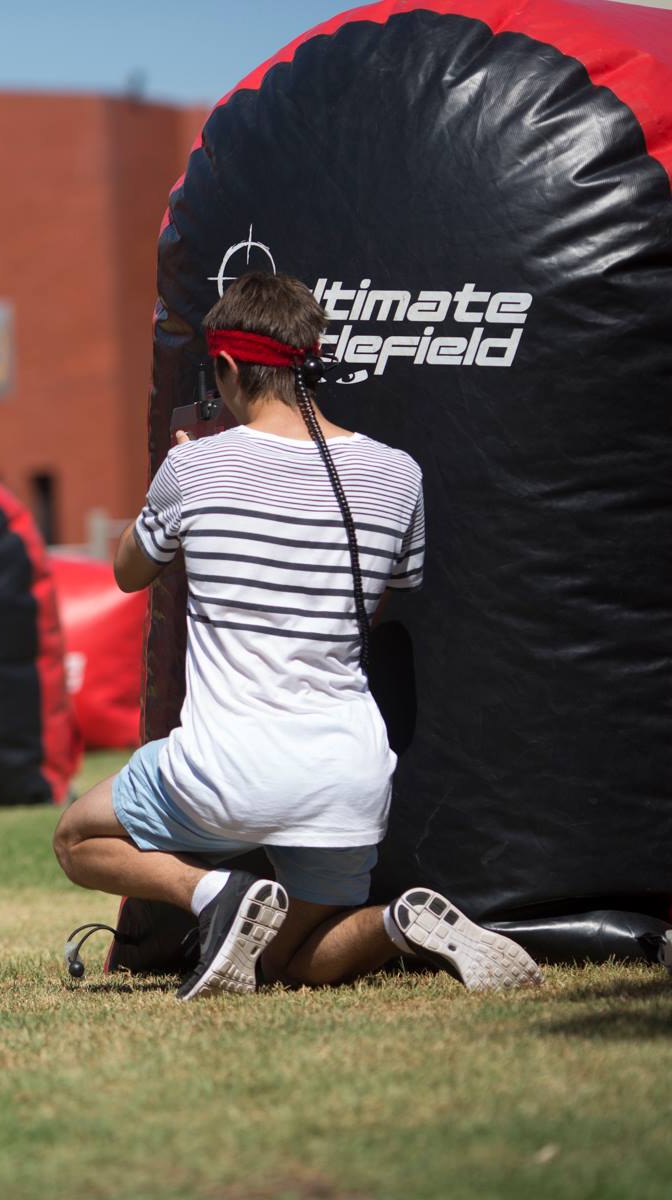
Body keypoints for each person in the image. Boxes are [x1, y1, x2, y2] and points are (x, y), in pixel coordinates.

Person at [52, 273, 542, 1000]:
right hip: (347, 781)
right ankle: (397, 923)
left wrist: (177, 480)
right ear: (311, 361)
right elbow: (392, 590)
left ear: (224, 370)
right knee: (283, 962)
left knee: (77, 836)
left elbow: (128, 571)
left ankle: (213, 894)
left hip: (223, 774)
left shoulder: (194, 467)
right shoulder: (397, 473)